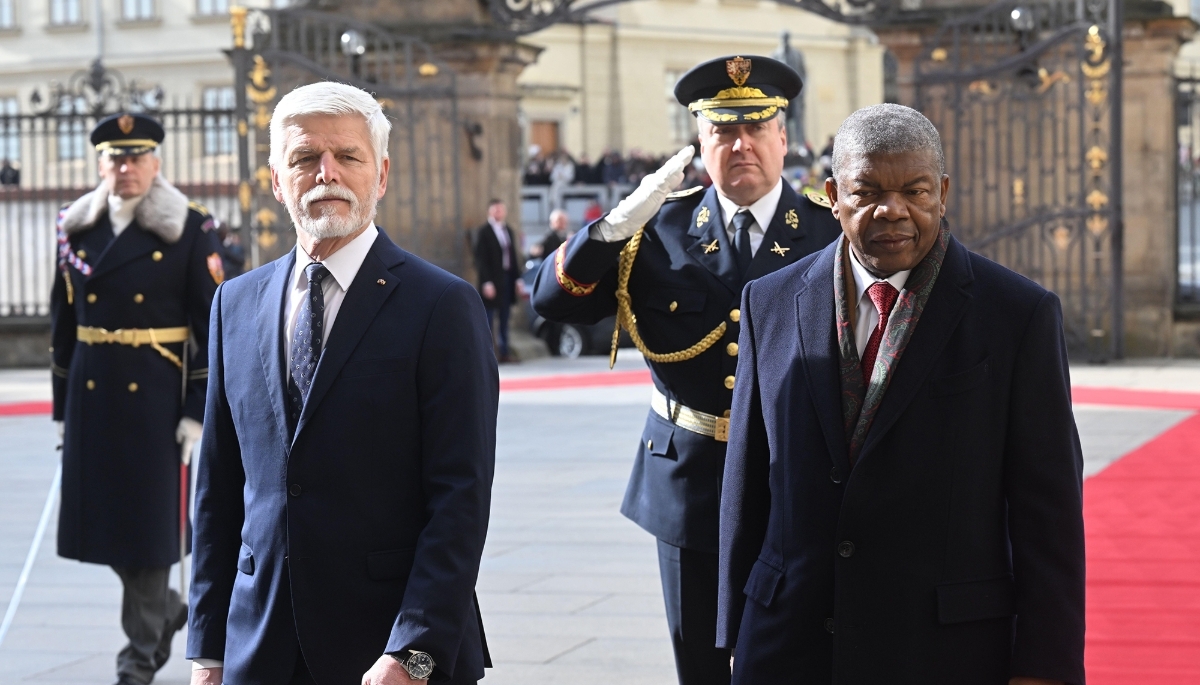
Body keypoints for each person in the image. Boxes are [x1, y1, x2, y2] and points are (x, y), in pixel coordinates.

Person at [718, 104, 1085, 684]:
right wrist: (736, 630)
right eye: (867, 192)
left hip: (943, 651)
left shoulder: (1017, 315)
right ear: (834, 195)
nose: (893, 211)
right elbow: (746, 484)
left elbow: (1049, 512)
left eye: (914, 190)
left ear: (941, 191)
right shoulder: (769, 302)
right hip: (789, 644)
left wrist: (1045, 666)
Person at [531, 55, 842, 685]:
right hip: (690, 475)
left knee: (797, 655)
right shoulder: (659, 227)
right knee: (699, 660)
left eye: (756, 127)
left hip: (799, 475)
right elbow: (552, 301)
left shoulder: (825, 232)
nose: (741, 144)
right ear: (701, 143)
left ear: (784, 138)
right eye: (723, 131)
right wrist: (609, 228)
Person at [186, 82, 497, 685]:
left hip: (391, 649)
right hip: (260, 645)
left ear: (380, 175)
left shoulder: (442, 306)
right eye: (304, 158)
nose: (326, 172)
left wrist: (415, 650)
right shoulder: (235, 304)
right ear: (277, 181)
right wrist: (208, 651)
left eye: (347, 157)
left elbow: (461, 495)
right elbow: (218, 492)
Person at [49, 112, 222, 685]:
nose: (125, 169)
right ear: (100, 164)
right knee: (107, 524)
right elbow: (63, 327)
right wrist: (58, 410)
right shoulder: (76, 228)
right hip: (93, 399)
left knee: (150, 532)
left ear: (156, 162)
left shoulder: (190, 229)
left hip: (156, 402)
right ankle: (168, 612)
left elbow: (212, 326)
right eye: (114, 159)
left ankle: (139, 658)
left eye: (136, 157)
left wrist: (196, 410)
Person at [474, 199, 524, 362]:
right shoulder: (484, 232)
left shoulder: (508, 230)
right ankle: (488, 353)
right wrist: (486, 282)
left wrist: (518, 279)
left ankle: (504, 352)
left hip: (507, 278)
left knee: (505, 317)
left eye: (501, 210)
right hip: (492, 280)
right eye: (495, 210)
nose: (498, 213)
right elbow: (480, 260)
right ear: (490, 211)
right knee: (488, 319)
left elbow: (513, 256)